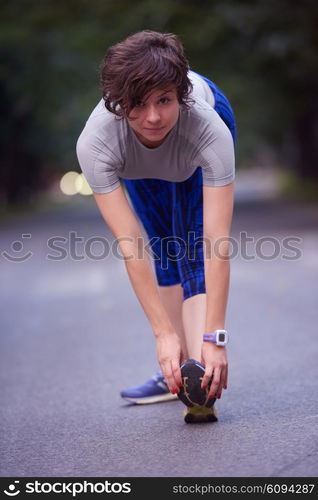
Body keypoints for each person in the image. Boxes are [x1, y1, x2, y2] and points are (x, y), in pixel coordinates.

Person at [76, 30, 235, 423]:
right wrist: (163, 335)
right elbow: (132, 249)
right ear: (118, 104)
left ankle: (201, 375)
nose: (152, 116)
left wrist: (216, 339)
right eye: (137, 104)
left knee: (192, 249)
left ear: (179, 97)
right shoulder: (98, 143)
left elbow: (217, 245)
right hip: (135, 156)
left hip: (192, 145)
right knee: (164, 248)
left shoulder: (208, 129)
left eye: (164, 101)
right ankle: (175, 371)